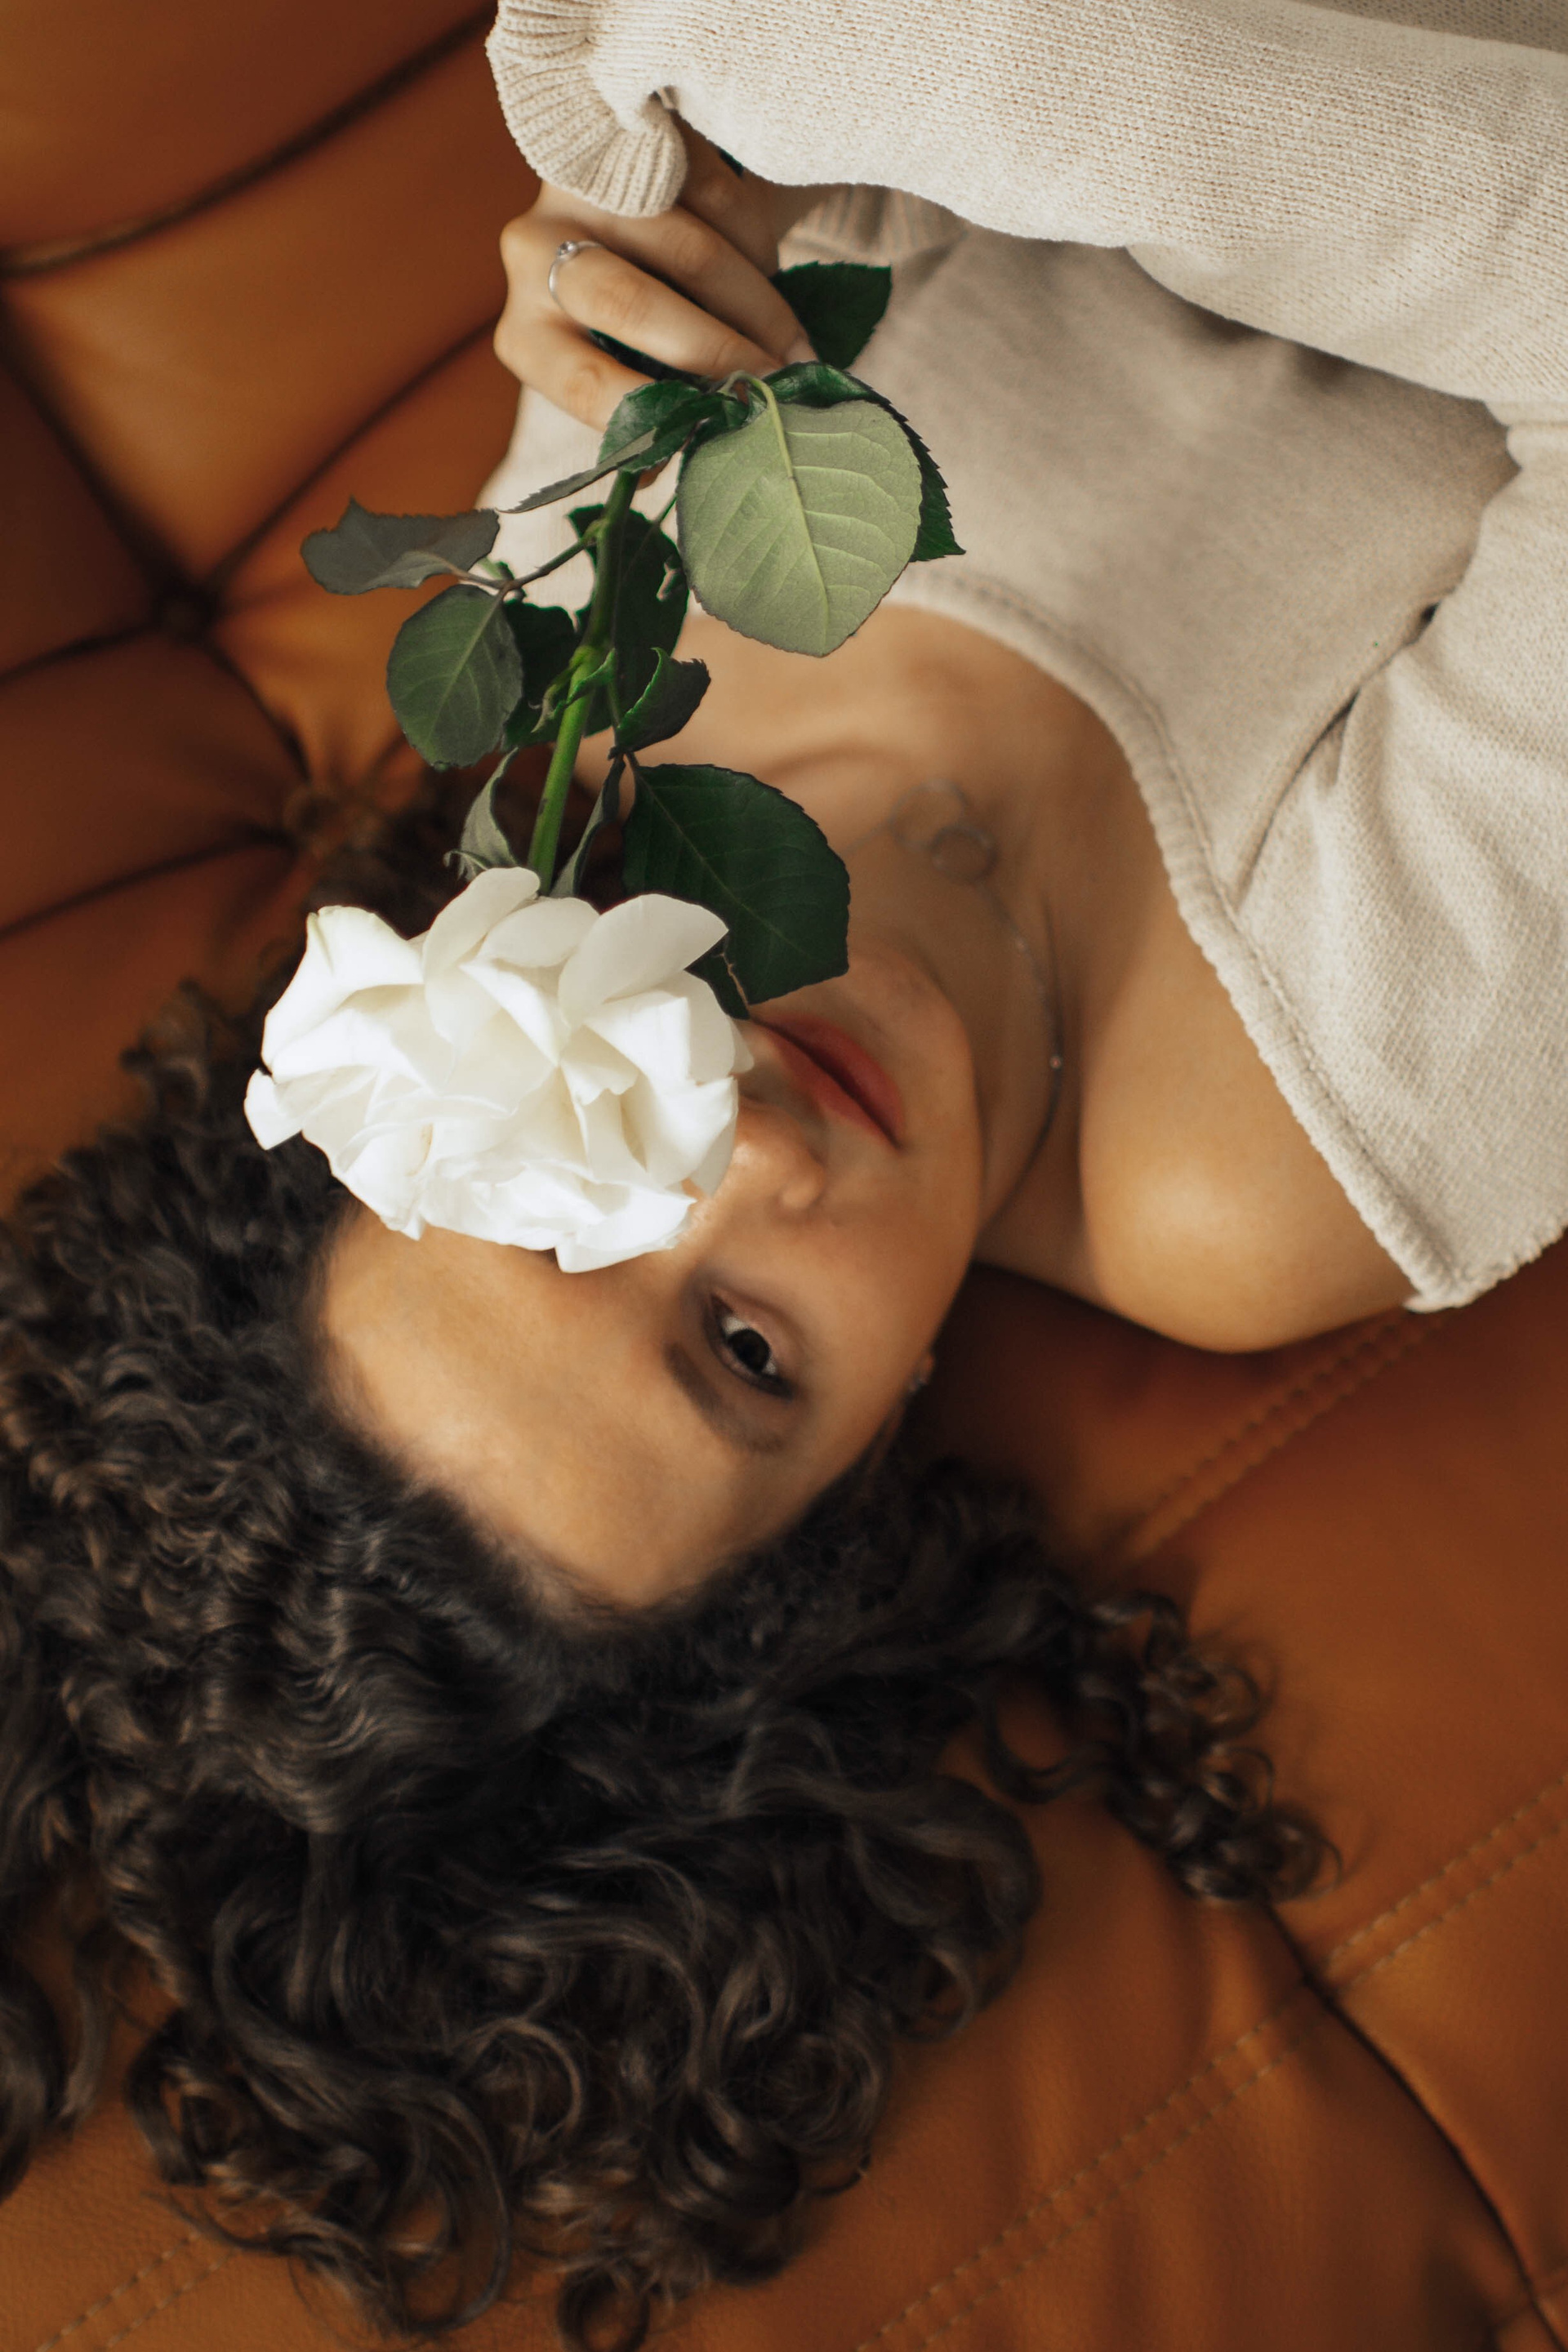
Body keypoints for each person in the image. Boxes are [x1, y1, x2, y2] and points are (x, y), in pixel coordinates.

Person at [6, 0, 1563, 2341]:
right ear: (876, 1442)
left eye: (573, 1180)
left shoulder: (571, 677)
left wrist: (647, 188)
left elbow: (643, 36)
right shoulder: (1282, 1155)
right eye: (744, 1356)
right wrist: (855, 92)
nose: (749, 1155)